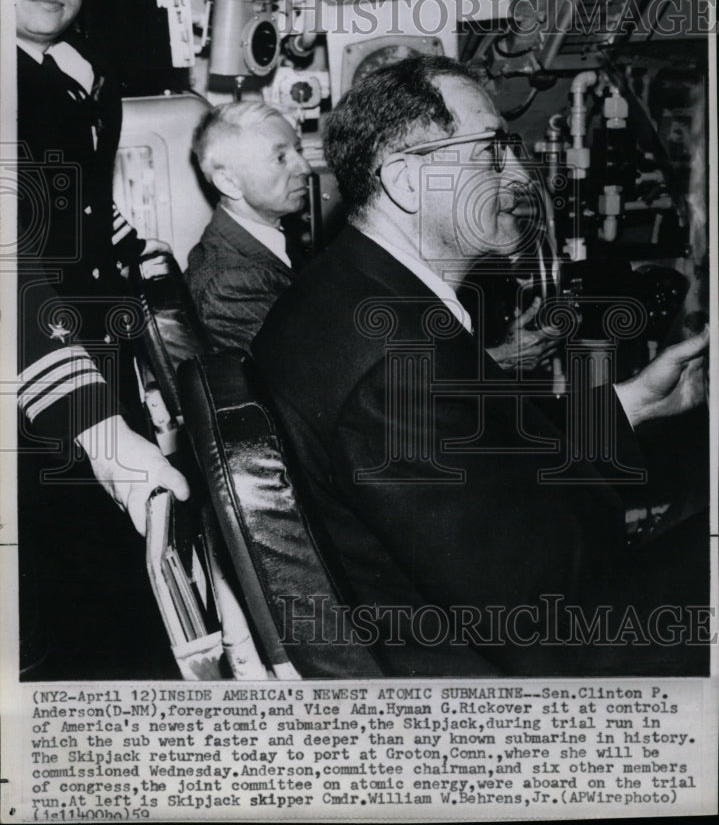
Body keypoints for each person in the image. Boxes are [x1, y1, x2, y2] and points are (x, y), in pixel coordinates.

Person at [253, 55, 709, 676]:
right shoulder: (395, 367)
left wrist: (633, 403)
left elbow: (492, 454)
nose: (522, 175)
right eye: (494, 152)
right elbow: (550, 629)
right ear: (407, 180)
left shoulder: (355, 293)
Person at [14, 0, 189, 679]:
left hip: (94, 352)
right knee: (74, 626)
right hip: (32, 390)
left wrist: (138, 255)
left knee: (128, 589)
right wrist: (97, 427)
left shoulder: (82, 75)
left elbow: (66, 204)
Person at [186, 101, 311, 350]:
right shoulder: (230, 282)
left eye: (299, 150)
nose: (305, 168)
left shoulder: (268, 238)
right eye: (280, 157)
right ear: (229, 183)